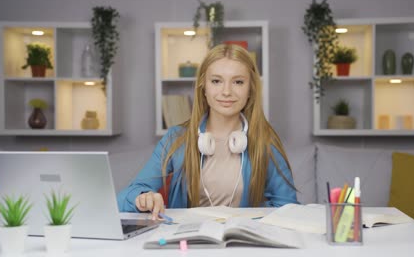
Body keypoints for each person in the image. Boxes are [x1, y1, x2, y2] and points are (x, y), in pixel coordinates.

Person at [117, 44, 298, 219]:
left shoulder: (265, 141)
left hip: (242, 245)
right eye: (216, 81)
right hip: (188, 244)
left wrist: (255, 215)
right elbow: (124, 198)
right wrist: (142, 198)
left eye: (238, 82)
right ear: (204, 86)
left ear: (250, 89)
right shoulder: (176, 138)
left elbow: (288, 208)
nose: (226, 92)